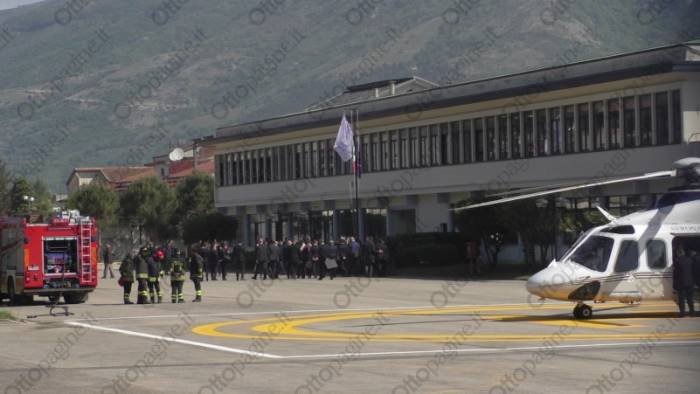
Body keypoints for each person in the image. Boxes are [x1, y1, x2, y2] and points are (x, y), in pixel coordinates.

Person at [673, 244, 695, 317]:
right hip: (690, 282)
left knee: (681, 299)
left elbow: (676, 274)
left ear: (678, 253)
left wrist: (675, 284)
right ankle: (692, 312)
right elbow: (693, 271)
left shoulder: (677, 261)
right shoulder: (690, 260)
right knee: (690, 298)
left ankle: (682, 313)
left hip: (681, 283)